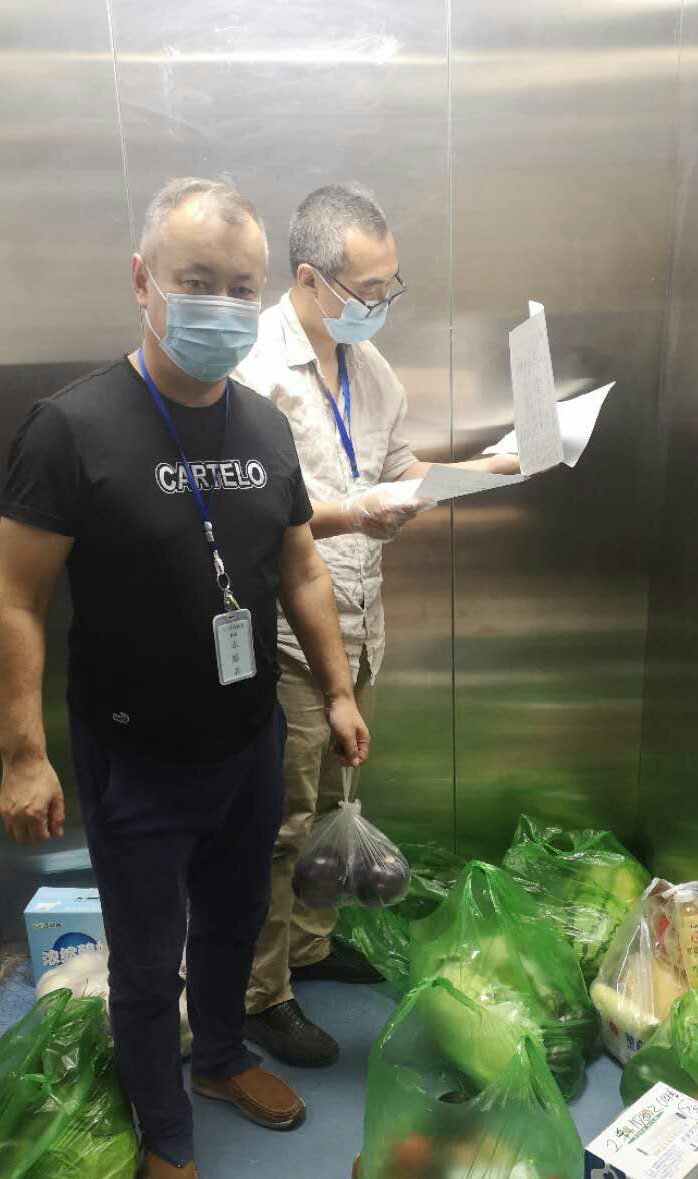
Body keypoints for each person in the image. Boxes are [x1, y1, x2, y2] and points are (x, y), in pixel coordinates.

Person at [0, 177, 370, 1179]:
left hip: (249, 739)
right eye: (198, 280)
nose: (221, 304)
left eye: (241, 287)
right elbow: (15, 599)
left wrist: (337, 691)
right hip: (136, 757)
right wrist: (23, 755)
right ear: (142, 280)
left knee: (238, 920)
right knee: (151, 960)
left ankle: (222, 1058)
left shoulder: (263, 424)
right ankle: (166, 1133)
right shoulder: (70, 429)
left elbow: (300, 571)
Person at [235, 185, 519, 1067]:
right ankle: (260, 994)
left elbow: (396, 468)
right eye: (368, 290)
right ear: (309, 279)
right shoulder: (252, 372)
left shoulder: (368, 367)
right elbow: (254, 516)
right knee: (280, 824)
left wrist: (493, 467)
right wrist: (357, 511)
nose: (381, 304)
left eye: (391, 286)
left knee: (331, 802)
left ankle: (310, 946)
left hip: (361, 622)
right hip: (287, 634)